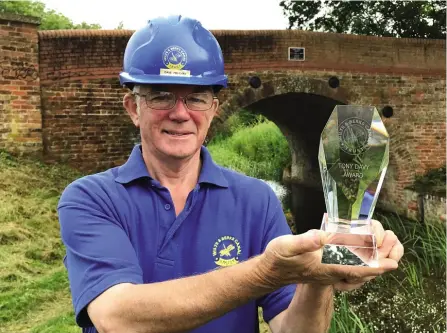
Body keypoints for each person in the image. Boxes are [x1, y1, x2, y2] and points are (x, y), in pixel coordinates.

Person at [57, 15, 404, 333]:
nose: (180, 114)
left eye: (196, 98)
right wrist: (266, 271)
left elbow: (295, 329)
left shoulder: (257, 199)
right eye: (161, 96)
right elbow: (117, 318)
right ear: (133, 108)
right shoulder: (90, 198)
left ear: (213, 109)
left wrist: (318, 276)